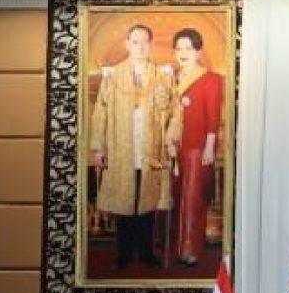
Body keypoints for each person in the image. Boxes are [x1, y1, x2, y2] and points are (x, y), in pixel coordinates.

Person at [87, 21, 176, 270]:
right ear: (127, 44)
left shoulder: (162, 76)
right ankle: (124, 252)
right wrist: (99, 148)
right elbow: (101, 112)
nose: (140, 47)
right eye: (135, 42)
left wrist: (170, 139)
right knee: (123, 201)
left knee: (147, 202)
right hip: (121, 147)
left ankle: (147, 252)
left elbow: (174, 110)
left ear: (151, 45)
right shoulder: (113, 76)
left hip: (150, 148)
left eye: (144, 42)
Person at [164, 26, 225, 268]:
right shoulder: (172, 78)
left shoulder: (211, 79)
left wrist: (210, 147)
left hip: (197, 148)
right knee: (176, 197)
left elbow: (213, 116)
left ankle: (190, 250)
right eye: (179, 48)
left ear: (198, 51)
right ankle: (174, 247)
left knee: (192, 199)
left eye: (188, 48)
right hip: (174, 148)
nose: (183, 53)